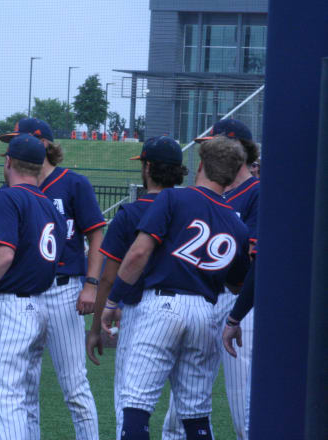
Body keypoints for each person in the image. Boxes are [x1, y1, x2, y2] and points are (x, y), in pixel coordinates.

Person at [103, 136, 250, 440]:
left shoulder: (174, 199)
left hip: (162, 306)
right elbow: (237, 284)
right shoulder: (237, 224)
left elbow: (139, 253)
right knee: (195, 414)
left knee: (137, 405)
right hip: (205, 313)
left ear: (202, 165)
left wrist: (113, 300)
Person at [0, 133, 66, 440]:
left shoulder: (9, 197)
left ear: (8, 162)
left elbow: (3, 255)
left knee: (6, 399)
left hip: (13, 307)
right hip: (40, 306)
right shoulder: (51, 206)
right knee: (27, 399)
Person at [0, 118, 104, 439]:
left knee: (75, 387)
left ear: (43, 144)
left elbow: (97, 233)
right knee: (25, 388)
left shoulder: (73, 183)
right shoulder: (15, 187)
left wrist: (91, 283)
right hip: (26, 295)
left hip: (64, 291)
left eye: (20, 140)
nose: (12, 148)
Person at [84, 136, 188, 439]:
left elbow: (108, 277)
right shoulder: (191, 208)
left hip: (140, 312)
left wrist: (95, 326)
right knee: (188, 410)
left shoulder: (130, 214)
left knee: (131, 404)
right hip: (190, 308)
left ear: (148, 168)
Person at [163, 119, 260, 440]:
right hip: (204, 301)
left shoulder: (258, 193)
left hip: (240, 304)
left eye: (213, 144)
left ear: (237, 151)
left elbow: (254, 262)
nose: (205, 151)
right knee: (180, 414)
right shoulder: (211, 196)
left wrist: (236, 313)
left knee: (245, 412)